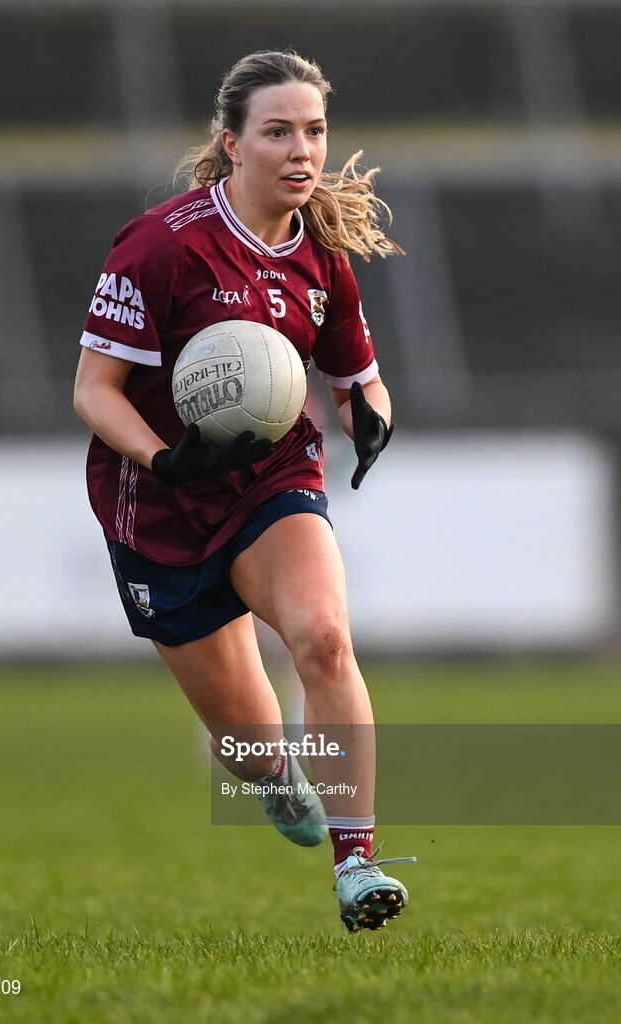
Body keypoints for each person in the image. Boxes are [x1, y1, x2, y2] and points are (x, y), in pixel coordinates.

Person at [73, 49, 415, 932]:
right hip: (157, 509)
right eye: (278, 132)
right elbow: (93, 391)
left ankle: (358, 864)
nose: (302, 150)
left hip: (272, 479)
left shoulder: (322, 258)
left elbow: (358, 380)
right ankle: (271, 779)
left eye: (315, 131)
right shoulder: (162, 243)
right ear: (232, 144)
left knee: (326, 639)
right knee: (255, 749)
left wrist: (370, 415)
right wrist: (162, 460)